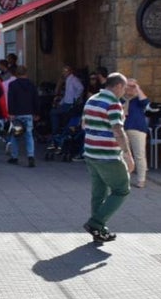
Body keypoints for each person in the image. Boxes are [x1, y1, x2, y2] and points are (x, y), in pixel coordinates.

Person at [81, 72, 134, 243]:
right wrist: (128, 155)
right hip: (108, 155)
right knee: (122, 189)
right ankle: (96, 223)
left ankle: (99, 230)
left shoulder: (92, 99)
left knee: (99, 192)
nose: (124, 91)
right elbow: (118, 131)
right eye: (124, 87)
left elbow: (84, 124)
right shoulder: (113, 103)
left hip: (90, 152)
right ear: (118, 86)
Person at [6, 65, 38, 166]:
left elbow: (10, 100)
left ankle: (14, 157)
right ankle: (31, 156)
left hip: (17, 114)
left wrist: (11, 113)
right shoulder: (32, 84)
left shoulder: (13, 85)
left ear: (16, 74)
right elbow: (36, 99)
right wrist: (36, 113)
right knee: (29, 135)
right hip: (28, 113)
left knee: (15, 135)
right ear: (26, 73)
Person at [123, 78, 151, 188]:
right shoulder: (121, 99)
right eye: (127, 86)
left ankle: (141, 179)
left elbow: (146, 102)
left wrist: (137, 87)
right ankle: (124, 177)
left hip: (137, 129)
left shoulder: (138, 100)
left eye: (132, 87)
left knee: (139, 154)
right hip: (123, 128)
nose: (129, 89)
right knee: (124, 155)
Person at [51, 65, 84, 139]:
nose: (63, 73)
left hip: (70, 105)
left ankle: (55, 132)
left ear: (69, 71)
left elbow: (80, 88)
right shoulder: (68, 80)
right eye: (63, 71)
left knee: (53, 112)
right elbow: (67, 94)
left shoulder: (73, 79)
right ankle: (58, 131)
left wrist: (75, 98)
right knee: (55, 111)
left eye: (65, 71)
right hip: (66, 103)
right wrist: (60, 103)